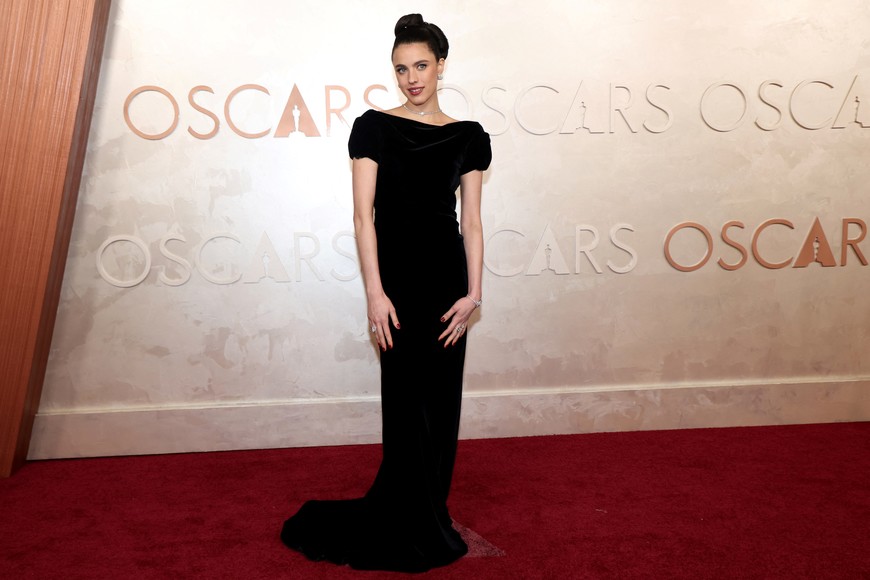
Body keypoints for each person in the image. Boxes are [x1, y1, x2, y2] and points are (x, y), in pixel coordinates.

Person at [280, 12, 492, 573]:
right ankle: (405, 514)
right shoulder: (373, 127)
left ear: (441, 65)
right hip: (396, 285)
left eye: (421, 65)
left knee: (442, 405)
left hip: (448, 284)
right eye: (402, 69)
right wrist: (374, 294)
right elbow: (362, 218)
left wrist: (474, 294)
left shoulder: (469, 137)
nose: (411, 78)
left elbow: (471, 223)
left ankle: (431, 511)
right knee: (405, 406)